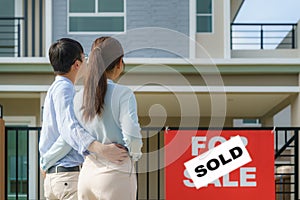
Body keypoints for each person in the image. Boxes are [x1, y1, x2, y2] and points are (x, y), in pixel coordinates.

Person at [39, 38, 128, 200]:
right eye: (85, 57)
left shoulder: (56, 88)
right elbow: (69, 130)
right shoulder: (65, 89)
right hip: (68, 176)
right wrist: (100, 148)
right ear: (77, 64)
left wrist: (46, 161)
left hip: (58, 178)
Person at [74, 36, 143, 200]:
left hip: (87, 174)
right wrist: (134, 155)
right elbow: (132, 134)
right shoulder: (123, 93)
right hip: (116, 173)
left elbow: (74, 134)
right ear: (119, 63)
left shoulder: (77, 97)